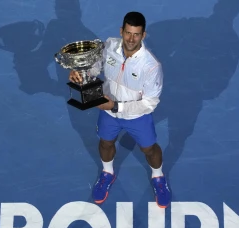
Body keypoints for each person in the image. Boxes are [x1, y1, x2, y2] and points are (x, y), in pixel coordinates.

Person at [69, 11, 172, 208]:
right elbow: (96, 67)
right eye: (127, 33)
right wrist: (82, 73)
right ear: (121, 31)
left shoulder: (151, 66)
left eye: (136, 34)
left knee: (149, 149)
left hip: (137, 116)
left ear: (144, 35)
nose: (131, 39)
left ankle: (158, 178)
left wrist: (117, 106)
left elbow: (150, 103)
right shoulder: (109, 45)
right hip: (108, 113)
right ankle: (107, 173)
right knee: (106, 143)